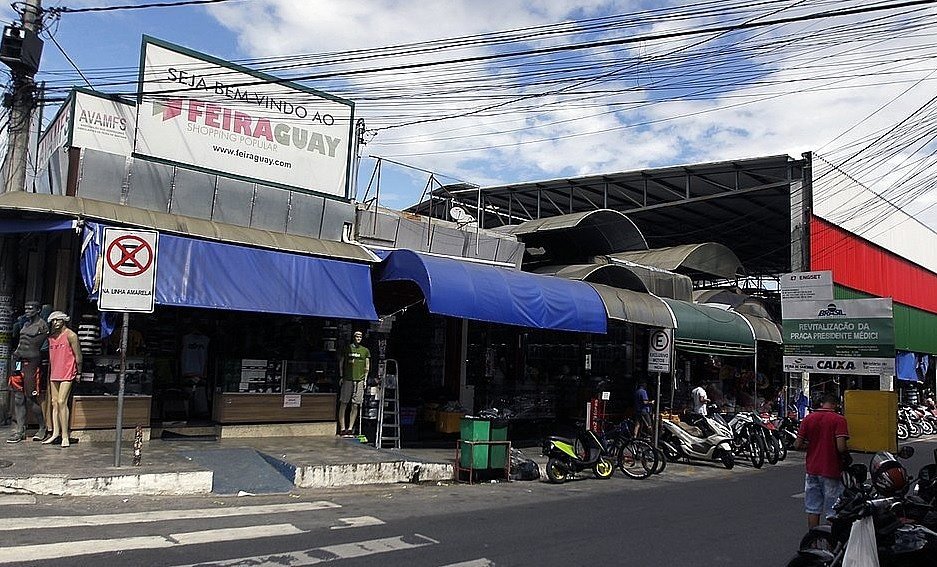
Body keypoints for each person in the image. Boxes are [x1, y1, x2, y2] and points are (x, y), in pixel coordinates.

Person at [794, 393, 850, 529]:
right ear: (836, 405)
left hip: (812, 469)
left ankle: (813, 542)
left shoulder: (808, 418)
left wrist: (812, 445)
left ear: (821, 404)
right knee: (833, 510)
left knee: (813, 509)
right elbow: (841, 447)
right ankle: (831, 544)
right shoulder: (839, 420)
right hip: (831, 470)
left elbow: (797, 445)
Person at [7, 301, 48, 444]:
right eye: (26, 308)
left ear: (38, 310)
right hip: (18, 361)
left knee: (31, 397)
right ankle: (20, 430)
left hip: (31, 363)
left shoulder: (42, 326)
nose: (27, 310)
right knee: (18, 397)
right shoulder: (24, 324)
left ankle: (42, 427)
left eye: (31, 308)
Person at [43, 311, 81, 448]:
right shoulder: (51, 337)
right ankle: (55, 432)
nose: (55, 323)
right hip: (55, 372)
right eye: (53, 321)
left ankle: (65, 435)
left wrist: (79, 372)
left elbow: (78, 355)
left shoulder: (71, 335)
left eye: (58, 320)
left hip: (67, 371)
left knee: (61, 401)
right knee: (54, 403)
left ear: (63, 320)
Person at [337, 330, 370, 436]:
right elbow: (341, 363)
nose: (358, 337)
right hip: (348, 378)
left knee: (355, 404)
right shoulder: (347, 348)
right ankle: (342, 428)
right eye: (357, 336)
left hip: (359, 380)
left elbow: (367, 366)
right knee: (344, 403)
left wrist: (365, 380)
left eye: (360, 336)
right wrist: (341, 376)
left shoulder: (365, 350)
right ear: (353, 337)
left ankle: (350, 428)